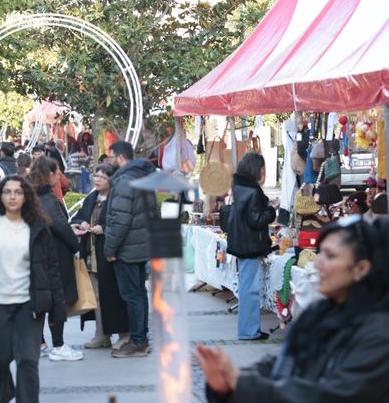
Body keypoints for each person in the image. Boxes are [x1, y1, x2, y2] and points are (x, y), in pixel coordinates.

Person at [198, 216, 389, 402]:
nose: (317, 263)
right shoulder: (319, 313)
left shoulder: (379, 332)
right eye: (320, 253)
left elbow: (334, 395)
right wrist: (230, 383)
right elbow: (283, 362)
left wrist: (241, 384)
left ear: (360, 268)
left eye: (330, 256)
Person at [0, 176, 67, 403]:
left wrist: (58, 307)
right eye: (7, 192)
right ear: (0, 196)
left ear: (26, 197)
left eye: (18, 192)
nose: (12, 197)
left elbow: (51, 269)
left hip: (28, 304)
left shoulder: (38, 226)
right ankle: (5, 392)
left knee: (28, 359)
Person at [104, 140, 156, 358]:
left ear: (120, 157)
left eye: (110, 157)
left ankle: (138, 341)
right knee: (139, 294)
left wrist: (110, 248)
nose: (108, 161)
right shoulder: (142, 177)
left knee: (133, 296)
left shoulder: (125, 181)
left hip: (127, 248)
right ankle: (141, 338)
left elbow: (120, 219)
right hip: (140, 245)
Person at [28, 157, 83, 361]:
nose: (59, 175)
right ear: (49, 174)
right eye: (57, 171)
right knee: (56, 300)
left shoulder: (32, 195)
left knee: (42, 299)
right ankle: (58, 345)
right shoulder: (47, 197)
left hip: (38, 254)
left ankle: (40, 342)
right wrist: (75, 245)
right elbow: (59, 224)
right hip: (55, 255)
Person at [70, 163, 129, 350]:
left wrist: (103, 228)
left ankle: (124, 334)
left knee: (115, 296)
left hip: (111, 255)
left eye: (103, 177)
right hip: (92, 254)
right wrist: (82, 223)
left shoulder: (116, 199)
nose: (98, 180)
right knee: (96, 297)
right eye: (96, 176)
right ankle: (101, 335)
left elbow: (122, 223)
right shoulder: (92, 197)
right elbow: (77, 217)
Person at [226, 152, 277, 341]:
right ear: (256, 169)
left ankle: (249, 329)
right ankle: (248, 331)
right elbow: (256, 220)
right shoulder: (253, 191)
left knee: (247, 288)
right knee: (250, 290)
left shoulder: (239, 187)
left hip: (242, 243)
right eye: (263, 168)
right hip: (250, 245)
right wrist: (271, 210)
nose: (264, 172)